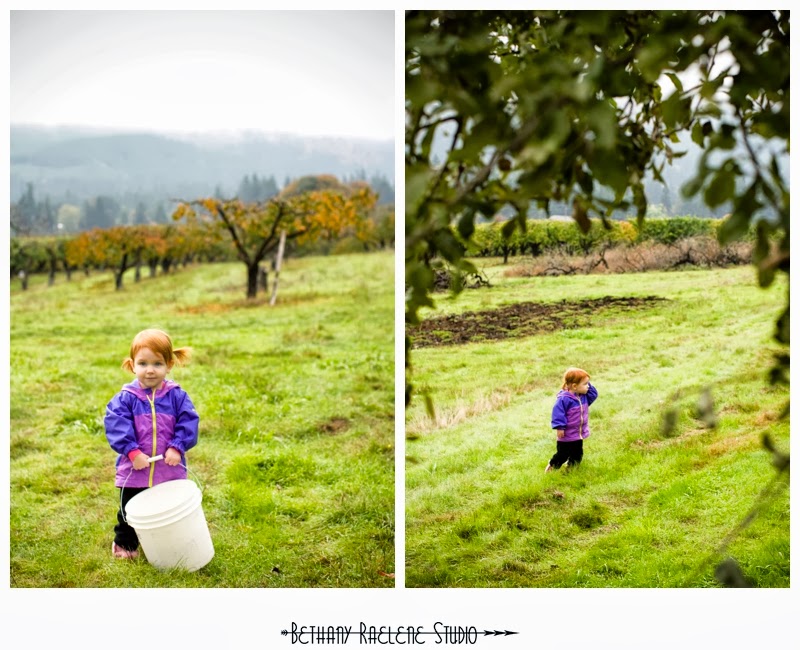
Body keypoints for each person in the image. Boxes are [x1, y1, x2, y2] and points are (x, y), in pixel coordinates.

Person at [104, 329, 199, 559]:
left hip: (169, 469)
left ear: (169, 365)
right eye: (143, 363)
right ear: (132, 365)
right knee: (129, 512)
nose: (150, 370)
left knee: (167, 509)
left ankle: (169, 544)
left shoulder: (177, 396)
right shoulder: (126, 398)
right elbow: (116, 425)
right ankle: (126, 545)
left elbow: (188, 421)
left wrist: (177, 446)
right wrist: (132, 452)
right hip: (135, 470)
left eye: (157, 363)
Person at [545, 367, 597, 473]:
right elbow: (558, 414)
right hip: (566, 435)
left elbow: (593, 394)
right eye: (585, 384)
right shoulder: (564, 399)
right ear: (574, 386)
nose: (588, 386)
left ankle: (571, 470)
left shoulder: (583, 397)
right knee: (563, 455)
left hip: (578, 434)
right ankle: (552, 465)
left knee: (577, 454)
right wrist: (560, 428)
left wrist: (586, 383)